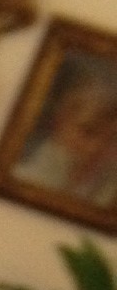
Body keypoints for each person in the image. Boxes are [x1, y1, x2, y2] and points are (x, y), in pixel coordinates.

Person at [14, 58, 117, 209]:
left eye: (113, 139)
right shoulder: (27, 172)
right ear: (60, 122)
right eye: (87, 132)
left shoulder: (110, 184)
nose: (95, 148)